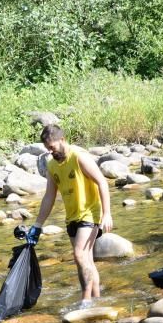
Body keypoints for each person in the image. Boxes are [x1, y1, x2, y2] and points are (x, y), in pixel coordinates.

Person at [28, 125, 113, 302]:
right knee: (86, 260)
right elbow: (49, 197)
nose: (51, 152)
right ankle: (97, 301)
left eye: (52, 147)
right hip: (72, 217)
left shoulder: (79, 157)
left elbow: (102, 182)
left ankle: (85, 300)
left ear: (62, 140)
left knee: (79, 254)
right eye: (47, 149)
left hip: (90, 213)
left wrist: (107, 214)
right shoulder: (52, 166)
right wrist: (37, 225)